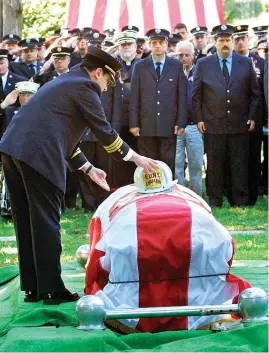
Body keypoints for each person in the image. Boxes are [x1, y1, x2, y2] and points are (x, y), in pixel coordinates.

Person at [0, 46, 157, 305]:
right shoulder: (86, 87)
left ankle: (34, 286)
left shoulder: (67, 81)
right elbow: (104, 131)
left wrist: (88, 168)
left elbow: (62, 132)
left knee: (27, 220)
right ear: (98, 73)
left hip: (14, 148)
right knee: (46, 221)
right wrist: (136, 158)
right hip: (37, 153)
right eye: (108, 81)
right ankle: (51, 289)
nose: (107, 88)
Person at [85, 161, 251, 333]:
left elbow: (98, 258)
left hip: (127, 299)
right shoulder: (194, 201)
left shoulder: (114, 204)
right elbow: (226, 247)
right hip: (205, 292)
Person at [192, 24, 259, 208]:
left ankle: (240, 200)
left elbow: (254, 93)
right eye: (221, 40)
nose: (225, 44)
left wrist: (252, 116)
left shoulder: (245, 62)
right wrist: (199, 119)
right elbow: (196, 94)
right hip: (213, 122)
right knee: (214, 165)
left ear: (232, 41)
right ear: (215, 42)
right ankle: (215, 200)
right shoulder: (203, 64)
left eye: (228, 40)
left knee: (239, 163)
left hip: (240, 122)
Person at [129, 28, 187, 174]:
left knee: (167, 165)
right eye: (154, 42)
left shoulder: (176, 65)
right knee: (148, 165)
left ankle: (166, 194)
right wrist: (134, 123)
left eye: (161, 42)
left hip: (169, 125)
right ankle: (150, 195)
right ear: (150, 44)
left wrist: (180, 122)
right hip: (146, 124)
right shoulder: (140, 66)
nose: (157, 45)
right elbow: (134, 96)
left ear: (166, 44)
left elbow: (181, 96)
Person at [233, 25, 265, 205]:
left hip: (256, 117)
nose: (240, 42)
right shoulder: (231, 62)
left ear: (248, 40)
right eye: (236, 39)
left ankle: (254, 191)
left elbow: (262, 91)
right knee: (237, 156)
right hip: (236, 117)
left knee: (254, 154)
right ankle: (237, 190)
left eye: (242, 38)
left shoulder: (259, 62)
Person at [0, 81, 40, 217]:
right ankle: (10, 210)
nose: (26, 98)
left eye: (29, 95)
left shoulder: (42, 114)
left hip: (33, 155)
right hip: (12, 153)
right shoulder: (10, 112)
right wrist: (4, 104)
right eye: (23, 95)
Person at [174, 41, 204, 196]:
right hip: (176, 126)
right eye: (180, 55)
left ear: (193, 55)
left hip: (194, 125)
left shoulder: (200, 71)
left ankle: (196, 196)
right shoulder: (171, 72)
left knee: (196, 163)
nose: (183, 58)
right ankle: (179, 196)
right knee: (177, 164)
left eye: (187, 55)